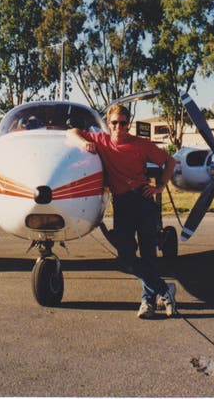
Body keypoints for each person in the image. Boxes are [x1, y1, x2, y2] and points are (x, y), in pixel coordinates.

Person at [67, 104, 178, 319]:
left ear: (129, 124)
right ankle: (164, 290)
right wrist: (84, 143)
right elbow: (72, 132)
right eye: (114, 123)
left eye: (123, 123)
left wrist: (160, 186)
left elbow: (170, 161)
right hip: (122, 204)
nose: (118, 127)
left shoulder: (142, 145)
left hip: (143, 201)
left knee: (148, 255)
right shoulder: (102, 141)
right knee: (126, 257)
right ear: (108, 124)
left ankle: (148, 302)